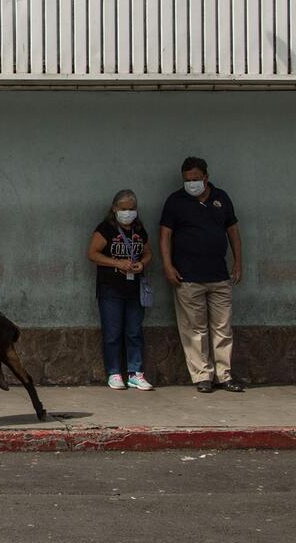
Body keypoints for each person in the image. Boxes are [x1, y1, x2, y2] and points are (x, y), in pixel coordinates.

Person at [159, 156, 245, 394]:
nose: (192, 183)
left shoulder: (221, 198)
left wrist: (238, 262)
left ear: (206, 177)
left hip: (219, 275)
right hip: (187, 277)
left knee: (222, 327)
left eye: (196, 179)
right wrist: (168, 265)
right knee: (195, 329)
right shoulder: (175, 202)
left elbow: (233, 232)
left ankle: (224, 375)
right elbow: (165, 236)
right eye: (188, 180)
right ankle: (202, 376)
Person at [86, 189, 154, 390]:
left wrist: (142, 264)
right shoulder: (106, 229)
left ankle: (136, 372)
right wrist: (116, 263)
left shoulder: (138, 230)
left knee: (134, 331)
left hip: (134, 288)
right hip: (111, 289)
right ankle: (114, 372)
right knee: (113, 332)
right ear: (114, 209)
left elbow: (148, 253)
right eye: (124, 209)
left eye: (132, 209)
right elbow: (92, 254)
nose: (128, 213)